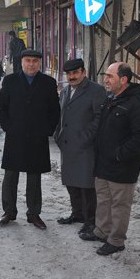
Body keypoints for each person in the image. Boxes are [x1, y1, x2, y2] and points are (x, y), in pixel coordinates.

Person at [80, 62, 140, 255]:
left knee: (120, 205)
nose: (106, 80)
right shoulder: (111, 99)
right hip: (103, 163)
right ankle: (102, 231)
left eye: (110, 76)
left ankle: (116, 240)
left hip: (122, 166)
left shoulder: (136, 103)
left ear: (124, 79)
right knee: (103, 200)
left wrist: (120, 154)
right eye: (106, 75)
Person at [0, 49, 61, 230]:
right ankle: (9, 212)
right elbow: (0, 107)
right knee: (10, 176)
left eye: (35, 61)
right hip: (15, 136)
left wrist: (47, 130)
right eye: (28, 60)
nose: (31, 64)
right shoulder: (10, 81)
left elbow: (55, 110)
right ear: (22, 62)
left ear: (40, 63)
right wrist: (8, 127)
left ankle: (34, 214)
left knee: (34, 177)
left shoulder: (48, 82)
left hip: (37, 137)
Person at [53, 58, 107, 236]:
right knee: (71, 182)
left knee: (86, 186)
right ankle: (77, 214)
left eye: (75, 73)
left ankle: (90, 221)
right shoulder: (65, 91)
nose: (72, 77)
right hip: (67, 145)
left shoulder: (96, 90)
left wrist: (85, 138)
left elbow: (99, 118)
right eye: (68, 74)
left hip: (86, 147)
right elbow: (62, 116)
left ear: (83, 72)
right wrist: (58, 135)